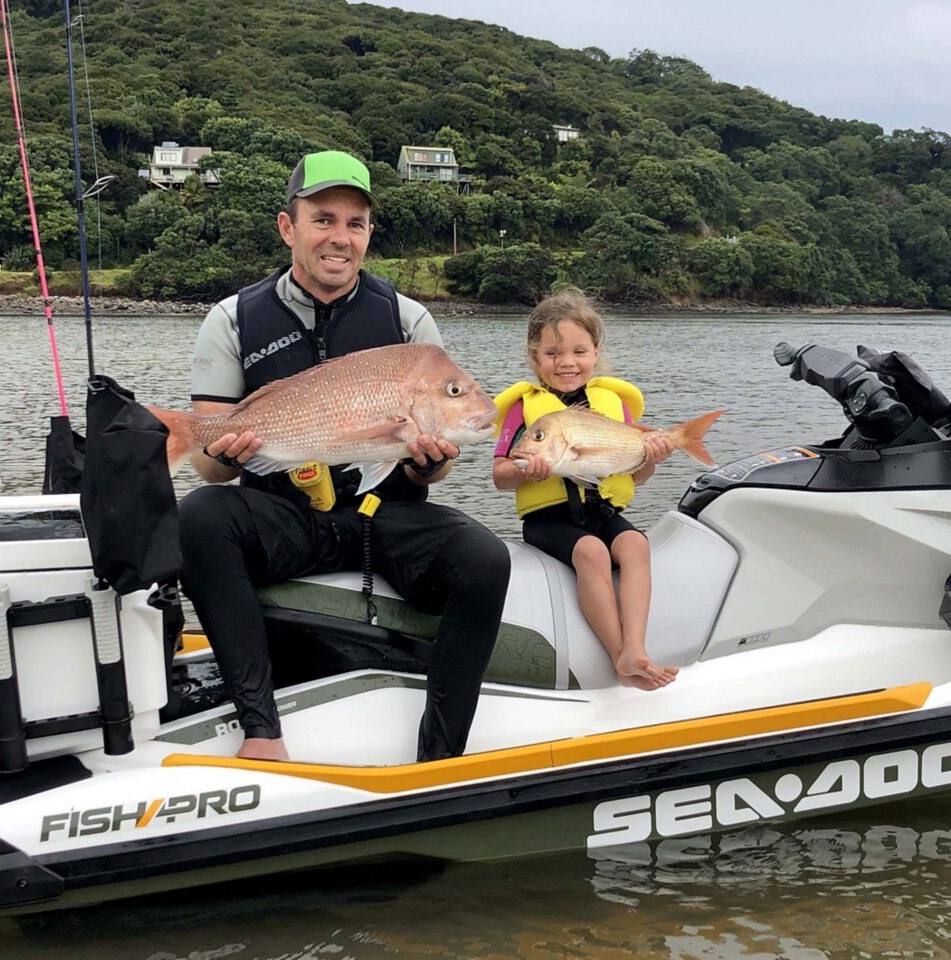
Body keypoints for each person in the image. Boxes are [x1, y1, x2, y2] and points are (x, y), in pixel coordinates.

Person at [178, 150, 510, 762]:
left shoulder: (409, 321)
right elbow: (209, 466)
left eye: (354, 224)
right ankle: (262, 731)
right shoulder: (232, 319)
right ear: (288, 227)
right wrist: (223, 451)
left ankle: (440, 756)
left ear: (368, 235)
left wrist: (430, 460)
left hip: (382, 511)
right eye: (323, 219)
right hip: (283, 511)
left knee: (485, 560)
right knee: (200, 515)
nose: (340, 237)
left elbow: (435, 468)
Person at [491, 290, 678, 690]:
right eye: (553, 353)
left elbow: (636, 477)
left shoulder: (611, 405)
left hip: (601, 511)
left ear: (595, 352)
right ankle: (620, 656)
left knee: (635, 546)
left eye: (579, 351)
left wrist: (653, 458)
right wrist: (528, 472)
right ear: (535, 357)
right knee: (592, 551)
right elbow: (500, 475)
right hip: (548, 521)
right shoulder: (523, 410)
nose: (566, 363)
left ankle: (636, 645)